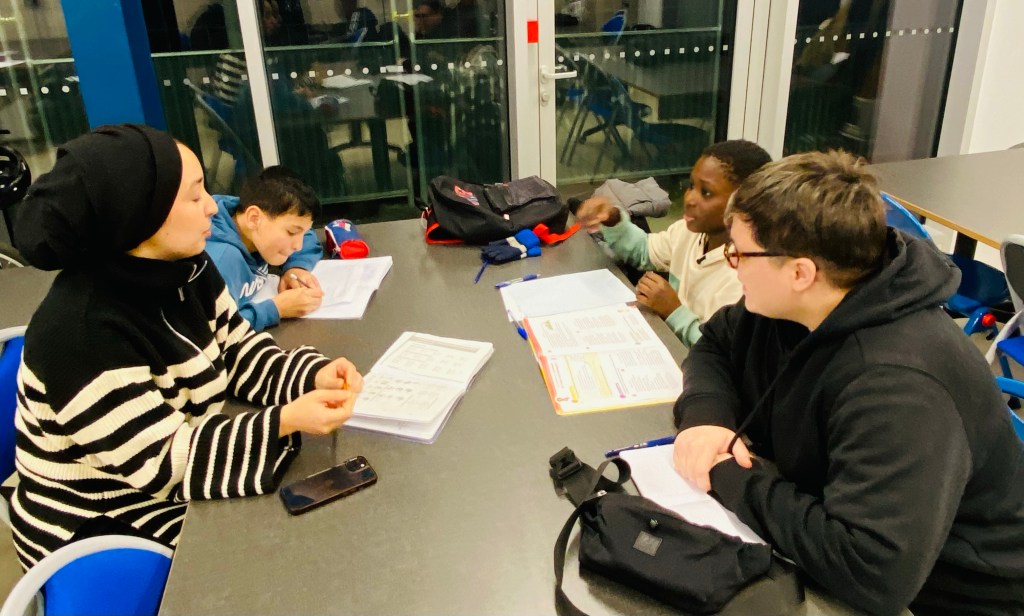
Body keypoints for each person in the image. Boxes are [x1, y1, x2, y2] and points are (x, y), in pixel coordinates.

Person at [672, 150, 1024, 615]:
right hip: (836, 522)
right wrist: (706, 418)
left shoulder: (899, 386)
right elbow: (716, 344)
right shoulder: (796, 302)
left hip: (958, 598)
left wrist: (729, 475)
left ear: (800, 273)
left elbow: (872, 573)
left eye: (738, 253)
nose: (731, 264)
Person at [10, 124, 363, 569]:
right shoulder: (79, 332)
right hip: (104, 533)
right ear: (140, 214)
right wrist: (285, 421)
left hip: (172, 494)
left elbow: (236, 349)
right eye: (195, 197)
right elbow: (163, 462)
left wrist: (310, 376)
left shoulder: (186, 268)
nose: (213, 206)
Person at [575, 140, 772, 347]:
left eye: (706, 193)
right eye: (691, 186)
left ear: (744, 205)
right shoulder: (688, 232)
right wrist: (612, 219)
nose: (689, 199)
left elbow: (719, 353)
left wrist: (673, 311)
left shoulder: (744, 278)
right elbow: (643, 251)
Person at [206, 166, 325, 332]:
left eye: (301, 233)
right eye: (292, 232)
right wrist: (276, 309)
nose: (298, 245)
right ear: (254, 219)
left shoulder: (249, 213)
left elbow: (307, 234)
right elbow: (214, 330)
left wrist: (296, 267)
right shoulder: (220, 262)